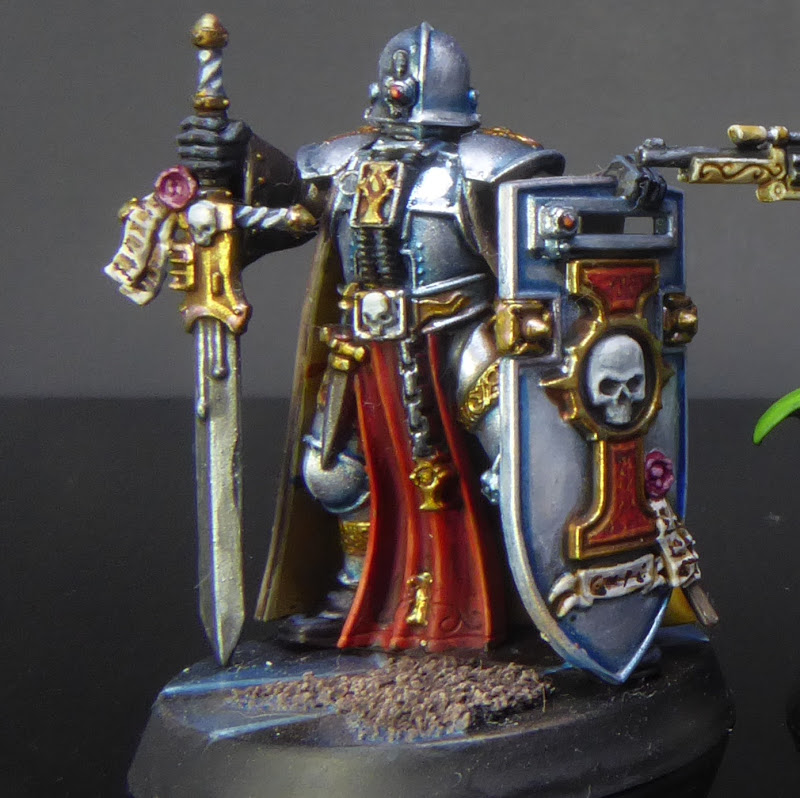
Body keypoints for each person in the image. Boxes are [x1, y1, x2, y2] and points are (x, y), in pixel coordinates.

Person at [178, 22, 566, 652]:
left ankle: (536, 590)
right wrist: (235, 155)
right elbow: (292, 213)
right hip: (364, 346)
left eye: (407, 84)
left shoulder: (489, 167)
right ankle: (356, 590)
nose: (397, 93)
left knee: (520, 457)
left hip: (462, 338)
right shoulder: (344, 162)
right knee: (333, 473)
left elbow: (552, 239)